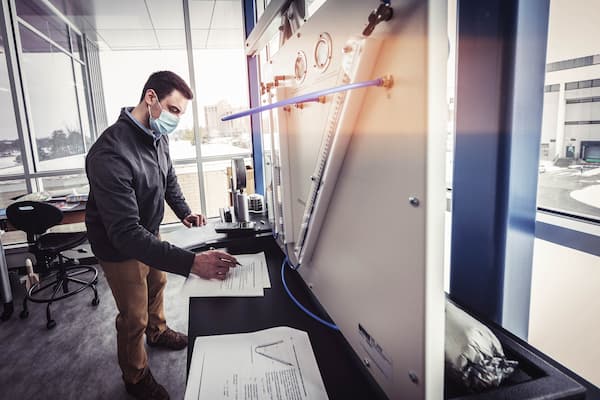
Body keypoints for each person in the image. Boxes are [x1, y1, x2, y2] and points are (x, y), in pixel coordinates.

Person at [85, 71, 238, 400]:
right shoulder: (109, 153)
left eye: (180, 113)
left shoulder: (157, 136)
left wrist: (184, 211)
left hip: (147, 232)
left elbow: (168, 180)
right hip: (119, 245)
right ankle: (135, 376)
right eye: (174, 110)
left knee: (157, 285)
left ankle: (158, 332)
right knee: (133, 315)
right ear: (151, 98)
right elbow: (125, 233)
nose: (176, 121)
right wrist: (192, 262)